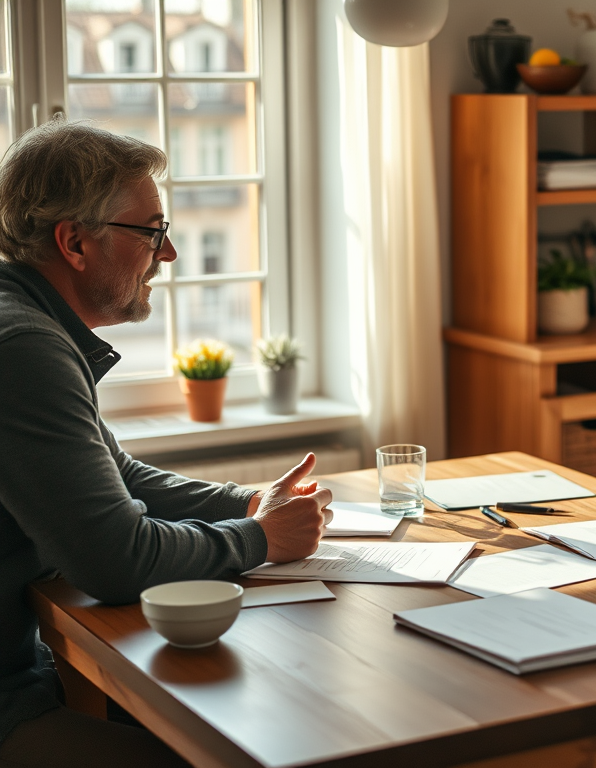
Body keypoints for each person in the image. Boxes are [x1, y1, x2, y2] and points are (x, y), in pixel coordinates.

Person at [0, 117, 334, 767]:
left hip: (28, 669)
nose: (170, 253)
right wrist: (262, 539)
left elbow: (115, 474)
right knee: (254, 749)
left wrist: (246, 502)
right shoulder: (26, 348)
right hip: (9, 706)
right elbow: (115, 560)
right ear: (75, 243)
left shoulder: (26, 319)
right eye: (153, 231)